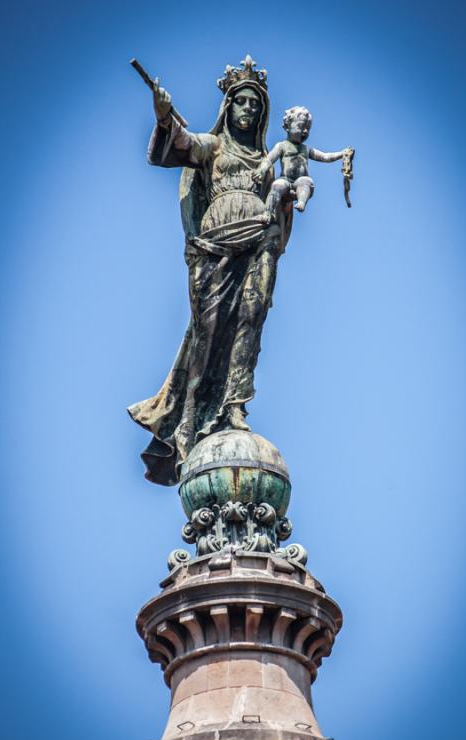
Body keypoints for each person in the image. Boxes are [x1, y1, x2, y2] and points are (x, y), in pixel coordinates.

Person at [127, 57, 293, 486]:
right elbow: (181, 145)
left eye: (255, 106)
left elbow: (287, 198)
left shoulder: (266, 157)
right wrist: (164, 116)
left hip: (259, 242)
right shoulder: (215, 147)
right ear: (228, 106)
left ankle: (235, 404)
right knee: (210, 330)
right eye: (241, 102)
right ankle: (188, 418)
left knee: (250, 321)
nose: (248, 111)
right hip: (214, 249)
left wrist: (285, 195)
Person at [253, 105, 354, 220]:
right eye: (301, 126)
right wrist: (261, 170)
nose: (305, 131)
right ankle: (267, 212)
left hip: (300, 180)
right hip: (285, 179)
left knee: (306, 181)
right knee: (277, 186)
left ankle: (301, 202)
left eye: (308, 128)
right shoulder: (282, 146)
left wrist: (342, 154)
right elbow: (269, 159)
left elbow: (326, 156)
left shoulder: (306, 149)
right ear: (287, 126)